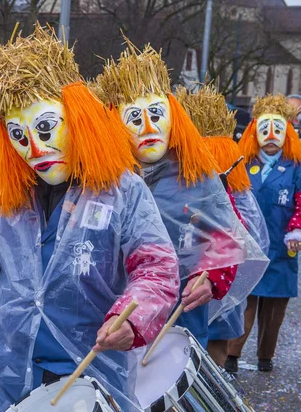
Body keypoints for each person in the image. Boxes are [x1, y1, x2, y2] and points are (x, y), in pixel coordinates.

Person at [0, 25, 180, 411]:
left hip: (91, 379)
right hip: (10, 379)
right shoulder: (5, 196)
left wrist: (133, 319)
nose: (35, 148)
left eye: (45, 127)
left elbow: (156, 268)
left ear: (77, 119)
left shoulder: (123, 190)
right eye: (20, 136)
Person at [95, 41, 252, 349]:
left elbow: (226, 238)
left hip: (179, 321)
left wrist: (208, 277)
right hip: (112, 322)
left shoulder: (198, 175)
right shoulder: (101, 181)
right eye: (136, 119)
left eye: (156, 113)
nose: (149, 127)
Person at [176, 84, 270, 367]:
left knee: (211, 350)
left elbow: (243, 234)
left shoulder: (230, 189)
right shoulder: (175, 180)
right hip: (185, 285)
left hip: (214, 281)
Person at [228, 94, 301, 372]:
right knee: (245, 300)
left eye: (278, 130)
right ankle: (233, 354)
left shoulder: (296, 166)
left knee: (274, 309)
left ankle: (265, 356)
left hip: (282, 247)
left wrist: (297, 227)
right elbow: (232, 199)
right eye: (265, 130)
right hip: (251, 246)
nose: (271, 137)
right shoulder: (243, 163)